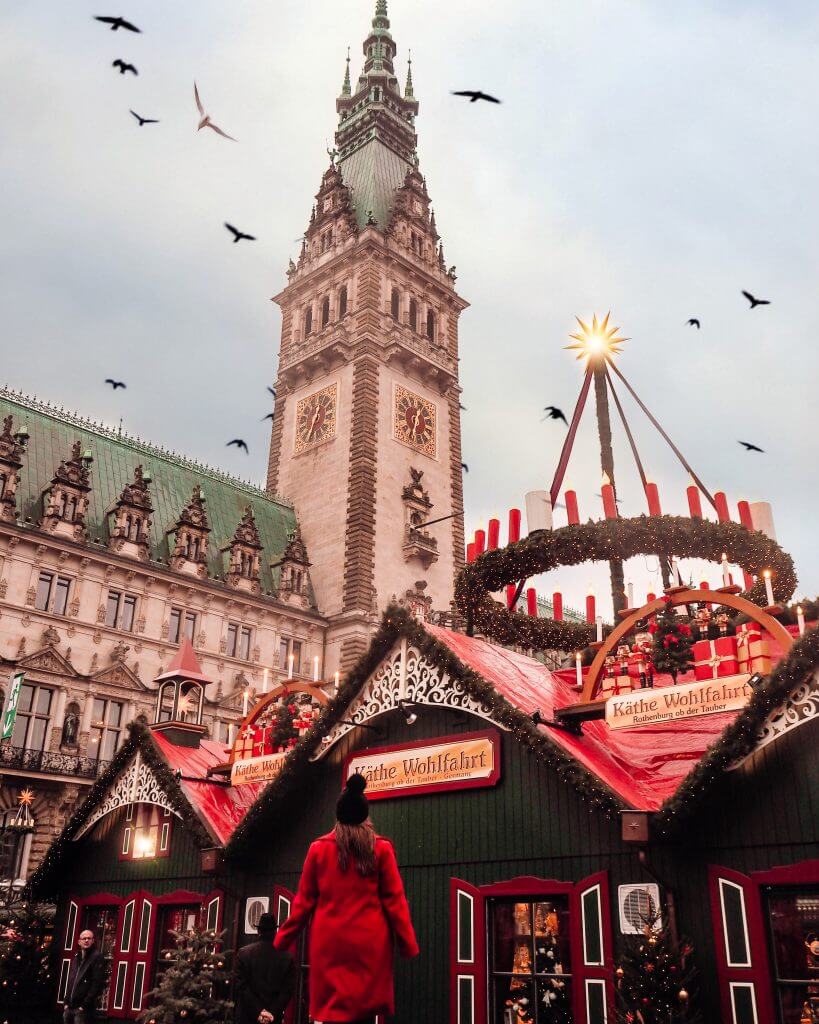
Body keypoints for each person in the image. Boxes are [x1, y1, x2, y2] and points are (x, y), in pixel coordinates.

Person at [274, 773, 419, 1024]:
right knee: (364, 1010)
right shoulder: (381, 848)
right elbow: (395, 900)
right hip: (370, 943)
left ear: (339, 815)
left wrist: (282, 940)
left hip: (329, 943)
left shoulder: (319, 849)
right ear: (365, 816)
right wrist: (407, 943)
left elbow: (303, 902)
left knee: (332, 1011)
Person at [235, 912, 295, 1024]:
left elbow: (241, 986)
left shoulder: (243, 953)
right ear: (275, 931)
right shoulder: (287, 957)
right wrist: (271, 1012)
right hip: (273, 1018)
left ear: (259, 931)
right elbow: (287, 990)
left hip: (248, 1016)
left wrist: (259, 1011)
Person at [63, 929, 106, 1024]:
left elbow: (97, 983)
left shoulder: (97, 957)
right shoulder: (77, 957)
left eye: (89, 938)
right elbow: (71, 980)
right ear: (79, 942)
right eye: (84, 938)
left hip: (82, 1009)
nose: (86, 940)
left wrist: (84, 1005)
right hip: (69, 1007)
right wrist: (66, 1002)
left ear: (93, 941)